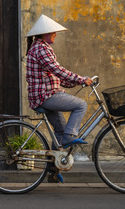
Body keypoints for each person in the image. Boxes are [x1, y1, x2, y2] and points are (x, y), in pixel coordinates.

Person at [26, 14, 93, 148]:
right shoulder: (41, 48)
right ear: (45, 33)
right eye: (53, 32)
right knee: (81, 105)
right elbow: (57, 70)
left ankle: (53, 167)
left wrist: (77, 82)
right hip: (45, 96)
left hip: (43, 95)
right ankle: (70, 137)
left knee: (60, 133)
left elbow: (54, 75)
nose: (55, 34)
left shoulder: (40, 47)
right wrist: (81, 79)